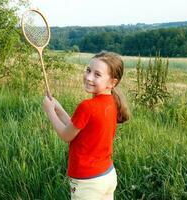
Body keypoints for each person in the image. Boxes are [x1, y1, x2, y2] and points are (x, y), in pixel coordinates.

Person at [42, 51, 130, 200]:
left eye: (97, 74)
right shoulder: (113, 103)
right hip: (107, 176)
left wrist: (49, 111)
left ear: (112, 82)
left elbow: (66, 135)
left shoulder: (87, 106)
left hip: (88, 181)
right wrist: (58, 108)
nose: (89, 77)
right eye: (88, 70)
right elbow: (75, 126)